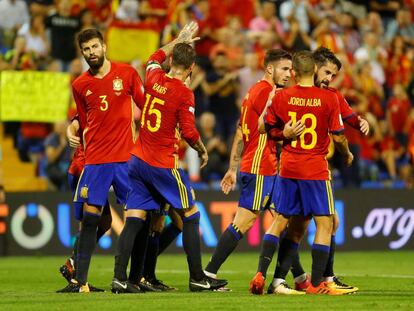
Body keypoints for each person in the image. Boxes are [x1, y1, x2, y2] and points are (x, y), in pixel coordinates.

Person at [111, 21, 227, 293]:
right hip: (161, 163)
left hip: (137, 160)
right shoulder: (184, 93)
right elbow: (188, 131)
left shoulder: (153, 77)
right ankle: (198, 277)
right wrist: (202, 149)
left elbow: (154, 57)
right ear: (192, 68)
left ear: (172, 60)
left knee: (136, 217)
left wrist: (177, 40)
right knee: (191, 213)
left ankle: (120, 278)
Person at [250, 50, 353, 296]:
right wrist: (346, 153)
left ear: (294, 72)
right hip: (315, 169)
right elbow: (338, 135)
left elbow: (265, 128)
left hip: (288, 168)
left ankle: (264, 275)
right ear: (314, 70)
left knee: (282, 221)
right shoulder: (328, 98)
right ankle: (318, 283)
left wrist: (284, 134)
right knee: (326, 223)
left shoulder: (282, 96)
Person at [203, 49, 304, 292]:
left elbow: (240, 131)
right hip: (261, 168)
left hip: (261, 166)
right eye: (284, 69)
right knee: (244, 223)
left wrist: (232, 168)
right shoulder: (268, 93)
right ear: (269, 69)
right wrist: (286, 134)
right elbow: (266, 130)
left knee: (283, 220)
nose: (289, 74)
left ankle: (298, 278)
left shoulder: (253, 92)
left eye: (291, 69)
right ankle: (208, 273)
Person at [57, 28, 145, 293]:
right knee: (91, 219)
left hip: (125, 160)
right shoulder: (79, 85)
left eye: (94, 47)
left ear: (104, 47)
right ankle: (80, 282)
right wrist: (71, 131)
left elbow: (145, 104)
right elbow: (84, 121)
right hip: (95, 160)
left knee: (141, 215)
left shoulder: (127, 73)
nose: (91, 53)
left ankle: (130, 278)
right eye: (86, 49)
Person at [57, 118, 112, 292]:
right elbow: (74, 124)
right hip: (85, 169)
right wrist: (69, 135)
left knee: (104, 222)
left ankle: (74, 264)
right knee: (89, 222)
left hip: (94, 168)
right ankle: (77, 277)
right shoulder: (96, 105)